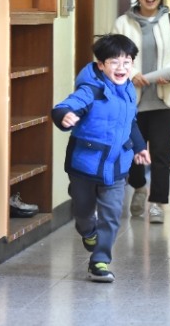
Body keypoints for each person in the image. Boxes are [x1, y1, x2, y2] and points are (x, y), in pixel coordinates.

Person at [51, 34, 151, 283]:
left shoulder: (128, 89)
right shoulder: (91, 89)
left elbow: (131, 122)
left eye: (127, 62)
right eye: (114, 62)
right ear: (101, 65)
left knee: (111, 214)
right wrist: (64, 116)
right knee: (83, 211)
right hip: (85, 164)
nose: (121, 68)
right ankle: (88, 231)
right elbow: (66, 106)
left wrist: (139, 147)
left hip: (117, 164)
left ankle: (100, 261)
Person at [111, 0, 170, 224]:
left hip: (165, 98)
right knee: (135, 150)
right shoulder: (122, 23)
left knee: (160, 152)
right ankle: (138, 186)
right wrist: (132, 73)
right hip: (132, 99)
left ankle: (158, 202)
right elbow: (113, 54)